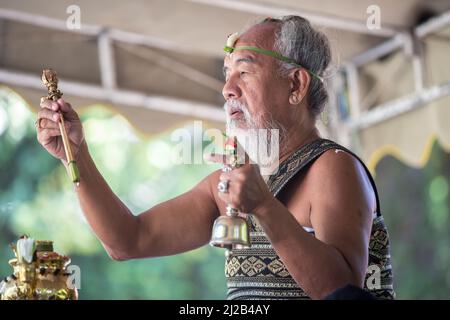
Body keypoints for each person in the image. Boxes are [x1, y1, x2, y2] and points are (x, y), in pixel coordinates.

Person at [35, 15, 394, 300]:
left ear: (295, 85)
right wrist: (76, 155)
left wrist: (266, 208)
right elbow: (128, 240)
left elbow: (341, 292)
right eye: (227, 74)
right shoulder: (232, 182)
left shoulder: (333, 167)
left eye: (245, 71)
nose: (227, 89)